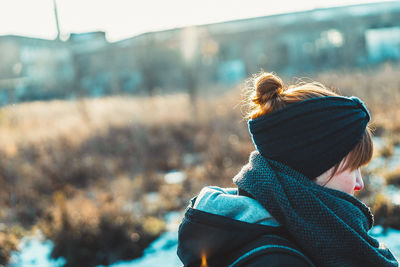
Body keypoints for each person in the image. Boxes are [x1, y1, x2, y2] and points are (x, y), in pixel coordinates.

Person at [177, 72, 399, 267]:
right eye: (354, 168)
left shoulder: (297, 232)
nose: (359, 183)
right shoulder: (278, 260)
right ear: (313, 166)